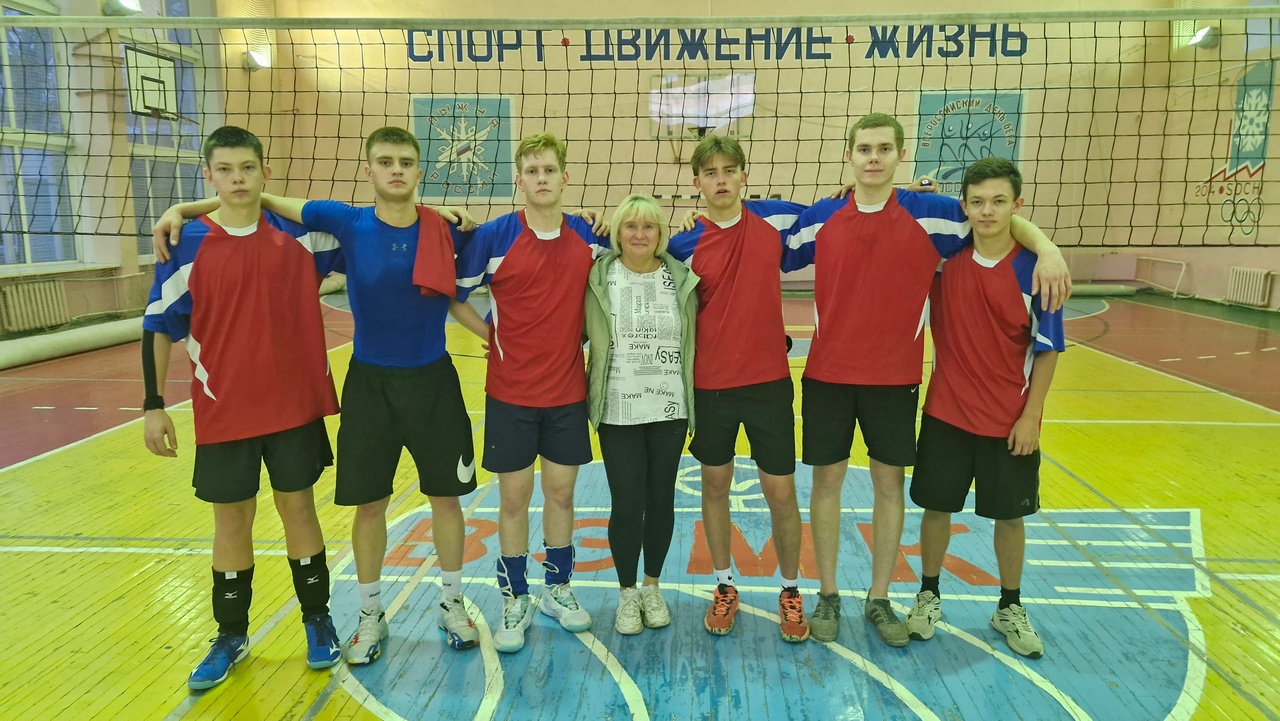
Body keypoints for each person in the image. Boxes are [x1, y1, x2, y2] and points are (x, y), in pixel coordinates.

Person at [153, 126, 486, 664]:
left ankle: (452, 603)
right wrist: (183, 209)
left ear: (420, 170)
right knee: (370, 506)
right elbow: (254, 196)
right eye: (385, 161)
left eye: (405, 162)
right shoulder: (346, 222)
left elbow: (504, 248)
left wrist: (584, 225)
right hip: (369, 388)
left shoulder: (445, 228)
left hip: (435, 384)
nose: (396, 170)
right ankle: (370, 614)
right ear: (368, 170)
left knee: (445, 500)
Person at [784, 113, 1071, 645]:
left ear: (900, 155)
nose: (874, 157)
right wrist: (691, 225)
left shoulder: (933, 214)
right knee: (826, 484)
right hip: (826, 377)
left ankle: (879, 599)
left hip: (895, 381)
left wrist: (1048, 249)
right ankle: (828, 595)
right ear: (849, 156)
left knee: (889, 486)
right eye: (864, 149)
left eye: (884, 148)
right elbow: (765, 238)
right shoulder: (822, 216)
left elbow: (996, 219)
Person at [141, 125, 345, 690]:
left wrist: (444, 217)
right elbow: (157, 325)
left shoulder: (303, 238)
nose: (237, 179)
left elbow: (376, 224)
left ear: (265, 172)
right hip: (223, 409)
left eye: (247, 168)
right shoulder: (185, 245)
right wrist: (153, 406)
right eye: (226, 170)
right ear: (209, 175)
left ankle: (318, 619)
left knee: (299, 510)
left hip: (294, 406)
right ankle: (230, 634)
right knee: (231, 520)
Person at [451, 133, 608, 653]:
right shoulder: (493, 236)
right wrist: (490, 334)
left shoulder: (587, 236)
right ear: (519, 180)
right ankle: (514, 597)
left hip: (567, 392)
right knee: (514, 500)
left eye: (549, 170)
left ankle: (556, 590)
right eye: (532, 171)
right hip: (510, 394)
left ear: (565, 177)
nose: (542, 179)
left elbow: (637, 253)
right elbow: (454, 296)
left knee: (561, 495)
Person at [904, 157, 1065, 659]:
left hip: (1009, 422)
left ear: (1018, 205)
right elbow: (893, 214)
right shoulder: (944, 260)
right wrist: (911, 191)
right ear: (964, 206)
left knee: (1009, 518)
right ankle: (928, 594)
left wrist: (1030, 417)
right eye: (977, 202)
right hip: (946, 414)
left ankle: (1009, 606)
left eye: (998, 201)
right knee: (936, 509)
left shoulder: (1037, 272)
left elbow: (1048, 351)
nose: (987, 211)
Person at [666, 135, 810, 643]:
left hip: (769, 382)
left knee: (781, 492)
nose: (721, 179)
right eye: (711, 172)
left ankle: (790, 590)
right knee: (714, 487)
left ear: (744, 175)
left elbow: (844, 212)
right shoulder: (682, 244)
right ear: (697, 182)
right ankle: (725, 585)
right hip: (711, 386)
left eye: (730, 170)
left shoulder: (776, 221)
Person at [584, 194, 698, 634]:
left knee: (661, 500)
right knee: (627, 503)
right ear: (616, 232)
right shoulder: (598, 275)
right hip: (618, 407)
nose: (639, 234)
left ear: (660, 233)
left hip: (670, 406)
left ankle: (652, 586)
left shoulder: (680, 275)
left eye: (648, 226)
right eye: (630, 226)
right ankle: (627, 593)